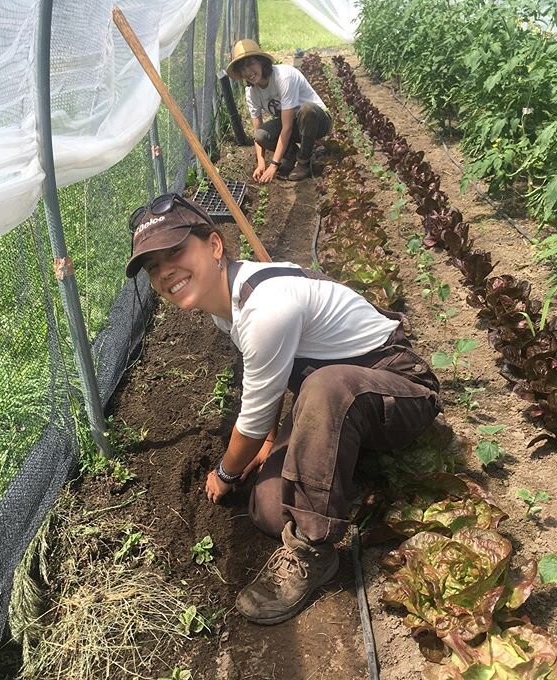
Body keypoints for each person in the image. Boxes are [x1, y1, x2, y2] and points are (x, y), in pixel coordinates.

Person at [125, 193, 442, 625]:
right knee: (271, 509)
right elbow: (266, 383)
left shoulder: (265, 308)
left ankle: (313, 551)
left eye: (175, 252)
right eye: (152, 266)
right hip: (345, 404)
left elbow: (253, 419)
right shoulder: (229, 304)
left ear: (214, 245)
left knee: (323, 386)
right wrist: (272, 439)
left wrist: (226, 472)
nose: (164, 272)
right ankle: (354, 478)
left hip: (400, 388)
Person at [226, 39, 332, 183]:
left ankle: (304, 162)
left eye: (251, 64)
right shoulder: (251, 92)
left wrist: (274, 165)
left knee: (307, 109)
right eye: (243, 69)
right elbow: (257, 132)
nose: (248, 72)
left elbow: (287, 127)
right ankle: (293, 155)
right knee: (262, 135)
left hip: (318, 121)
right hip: (294, 124)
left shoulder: (283, 77)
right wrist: (261, 163)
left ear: (261, 62)